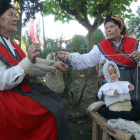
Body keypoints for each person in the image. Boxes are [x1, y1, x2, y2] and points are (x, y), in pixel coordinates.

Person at [0, 0, 72, 140]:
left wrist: (53, 65)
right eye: (11, 14)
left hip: (21, 90)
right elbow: (2, 81)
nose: (16, 18)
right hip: (7, 96)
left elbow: (29, 67)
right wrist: (28, 61)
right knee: (51, 112)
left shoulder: (12, 45)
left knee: (55, 102)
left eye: (15, 15)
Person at [55, 14, 140, 103]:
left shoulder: (135, 44)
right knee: (114, 107)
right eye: (106, 28)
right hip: (111, 83)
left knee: (134, 106)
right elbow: (87, 59)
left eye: (112, 26)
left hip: (133, 81)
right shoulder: (101, 47)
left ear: (120, 28)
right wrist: (69, 56)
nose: (108, 30)